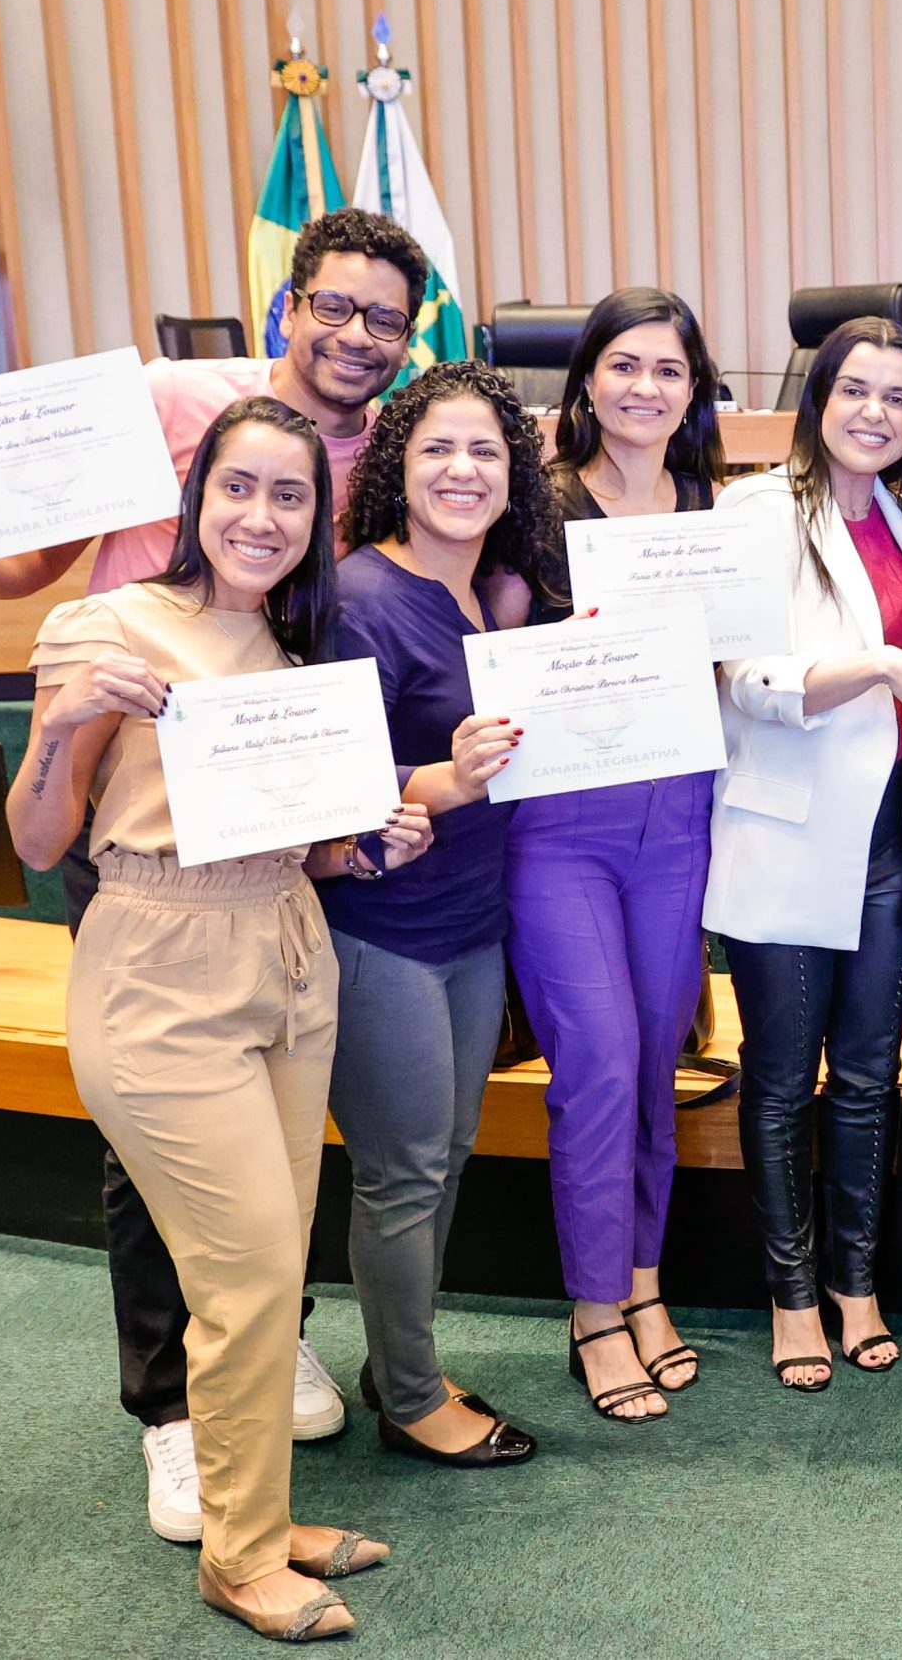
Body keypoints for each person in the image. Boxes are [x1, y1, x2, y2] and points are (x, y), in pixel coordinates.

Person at [0, 206, 430, 1540]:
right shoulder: (176, 406)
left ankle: (255, 1349)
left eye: (386, 319)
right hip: (140, 828)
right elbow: (19, 555)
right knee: (167, 1144)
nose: (357, 335)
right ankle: (172, 1411)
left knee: (277, 1151)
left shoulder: (393, 454)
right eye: (336, 305)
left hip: (286, 831)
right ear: (287, 304)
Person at [9, 397, 434, 1641]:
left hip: (292, 959)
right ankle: (238, 1560)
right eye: (238, 488)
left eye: (290, 496)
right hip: (154, 970)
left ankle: (258, 1516)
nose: (261, 516)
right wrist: (65, 718)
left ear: (319, 519)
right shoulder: (104, 625)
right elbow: (40, 837)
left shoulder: (308, 671)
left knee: (269, 1268)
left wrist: (375, 844)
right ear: (196, 497)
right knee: (245, 1276)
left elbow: (311, 852)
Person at [709, 316, 902, 1390]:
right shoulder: (757, 512)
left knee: (869, 1079)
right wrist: (880, 661)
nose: (874, 414)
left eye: (896, 399)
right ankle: (791, 1296)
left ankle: (856, 1285)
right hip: (785, 840)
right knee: (783, 1081)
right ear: (816, 401)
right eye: (854, 392)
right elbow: (747, 683)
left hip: (893, 845)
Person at [323, 364, 558, 1470]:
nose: (462, 470)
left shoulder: (480, 594)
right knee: (405, 1169)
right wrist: (443, 779)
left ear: (515, 478)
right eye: (436, 451)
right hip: (382, 931)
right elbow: (326, 795)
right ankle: (413, 1400)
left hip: (470, 924)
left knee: (444, 1156)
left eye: (485, 453)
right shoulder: (362, 598)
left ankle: (397, 1357)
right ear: (395, 469)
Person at [514, 288, 726, 1422]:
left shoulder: (709, 507)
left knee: (654, 1054)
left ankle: (641, 1284)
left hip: (678, 814)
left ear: (695, 391)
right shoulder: (537, 503)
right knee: (595, 1056)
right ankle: (593, 1309)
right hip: (563, 821)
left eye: (670, 371)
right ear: (587, 375)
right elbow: (483, 646)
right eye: (625, 365)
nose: (647, 388)